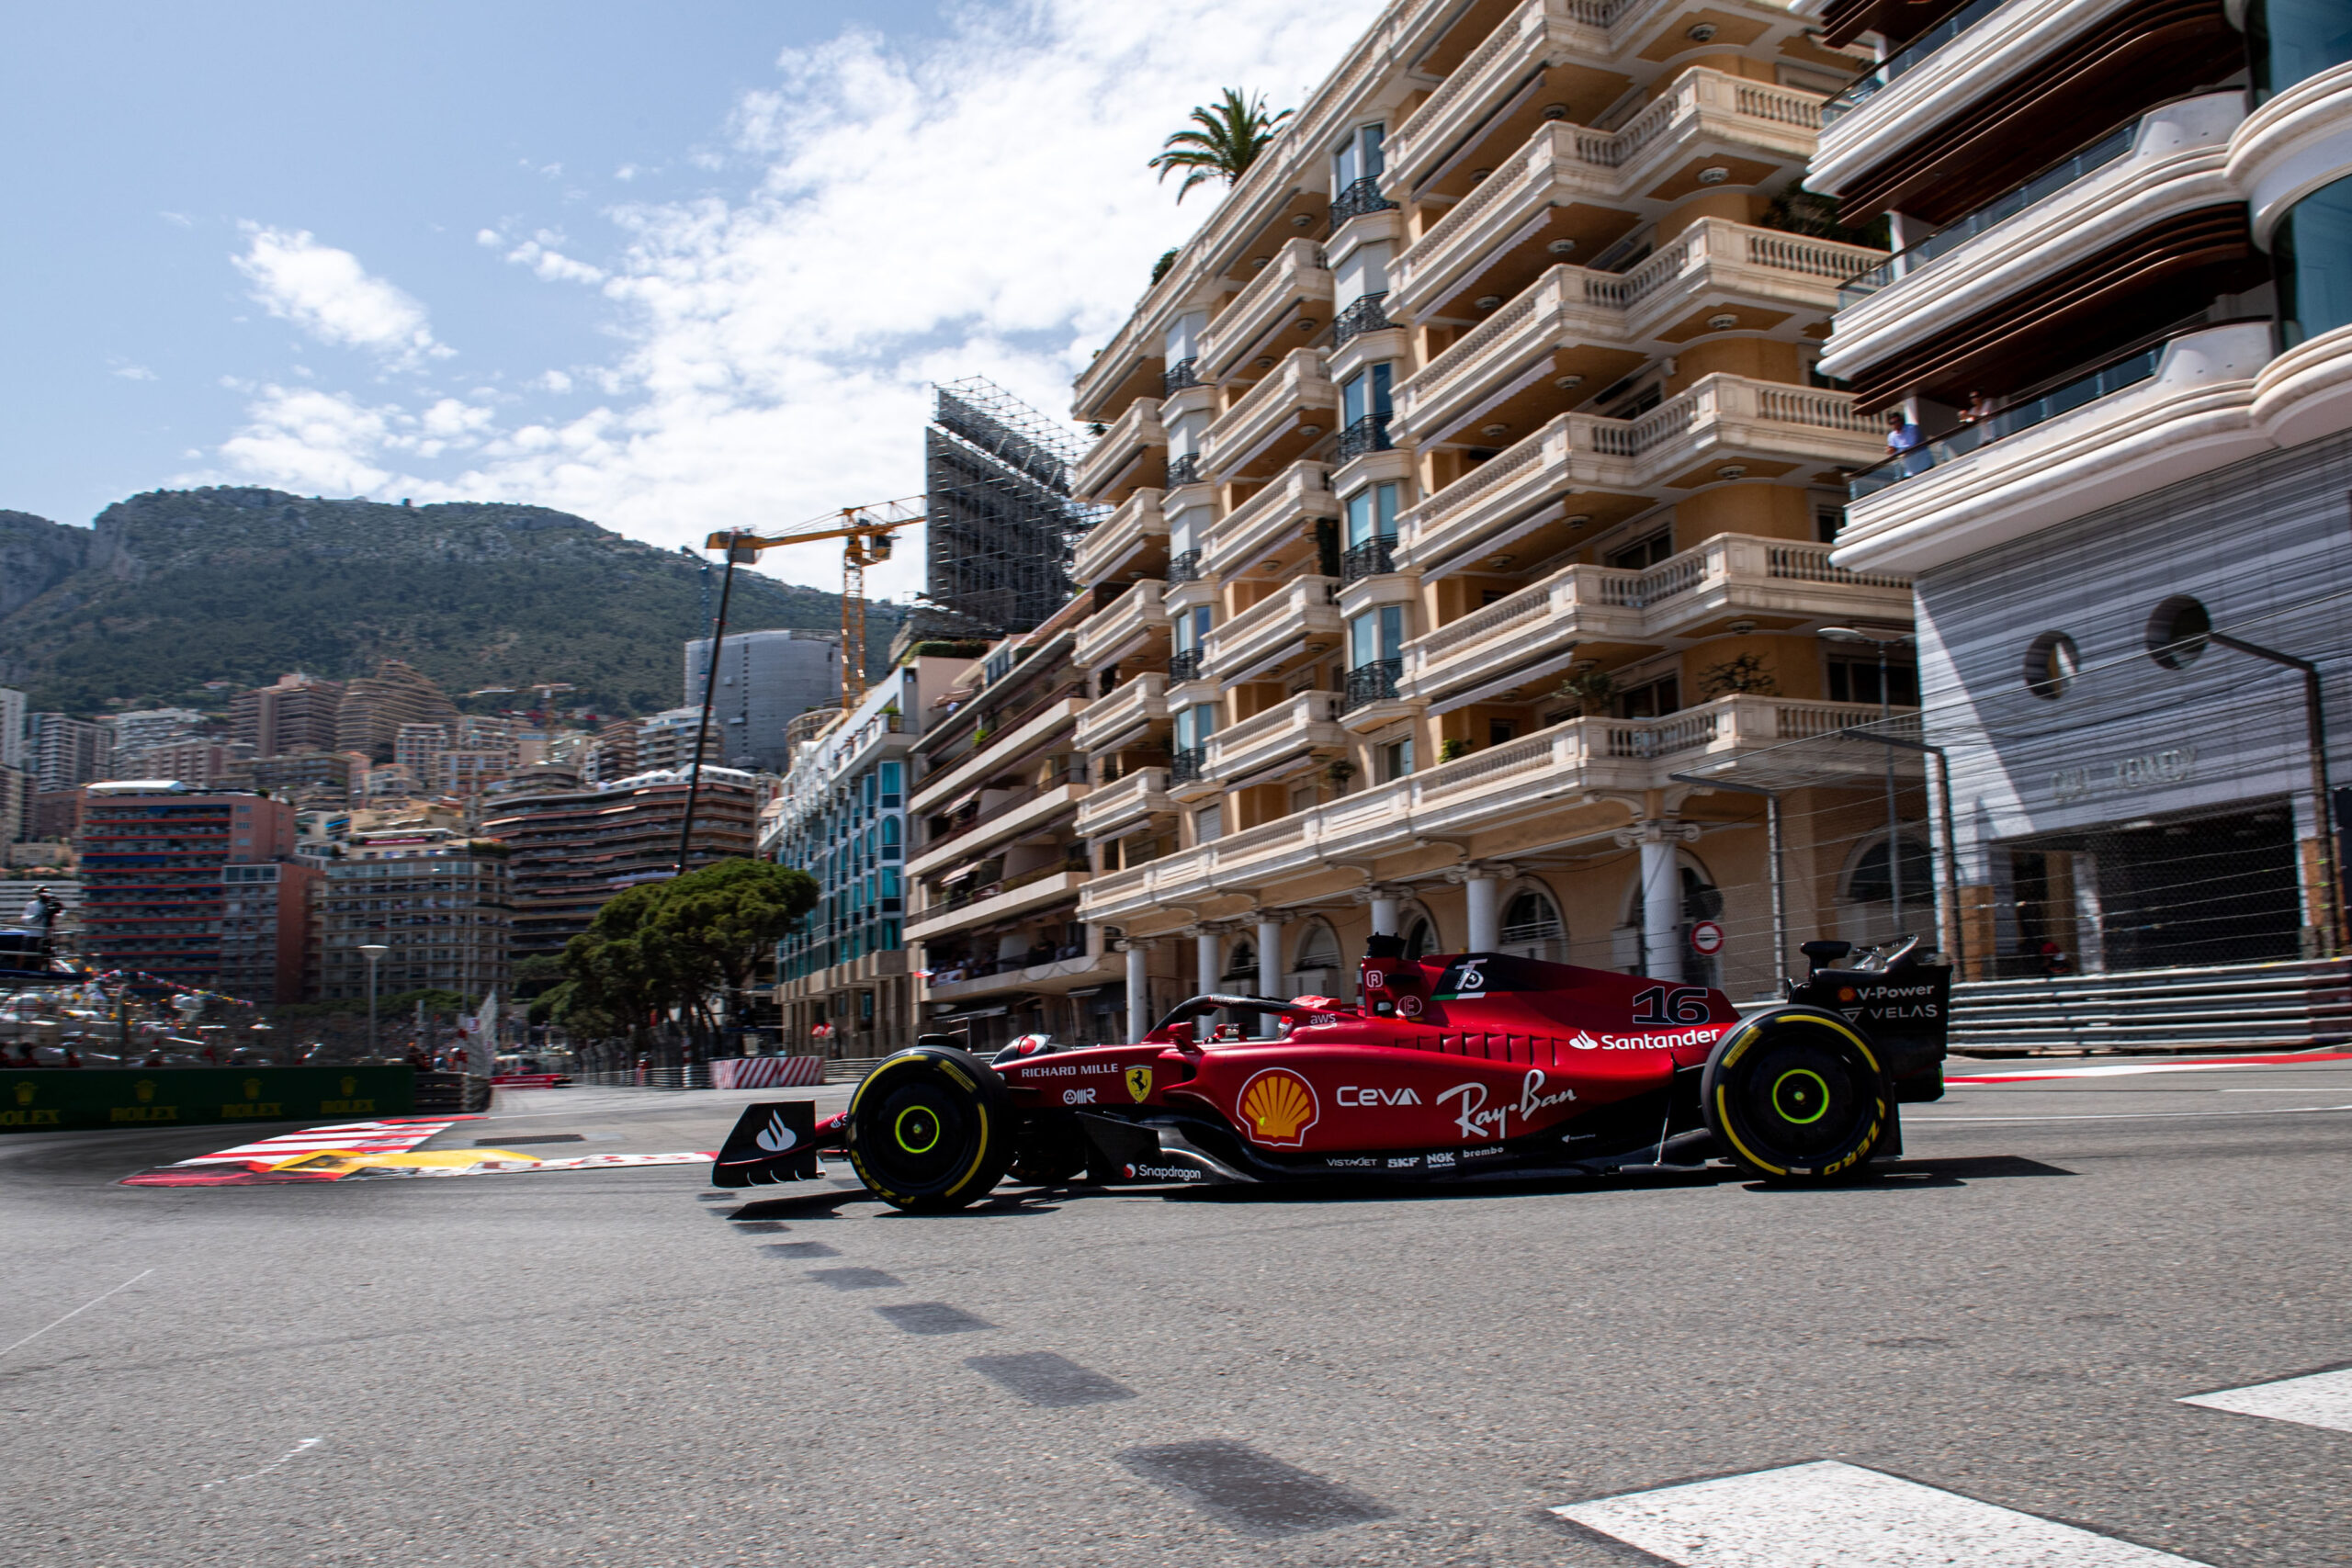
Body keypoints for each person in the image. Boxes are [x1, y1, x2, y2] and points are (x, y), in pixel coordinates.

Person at [1884, 411, 1928, 476]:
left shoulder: (1912, 429)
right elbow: (1894, 454)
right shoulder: (1891, 436)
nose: (1895, 424)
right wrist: (1891, 451)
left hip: (1924, 466)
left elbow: (1912, 446)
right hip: (1910, 471)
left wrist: (1896, 449)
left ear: (1901, 421)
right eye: (1893, 423)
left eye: (1897, 421)